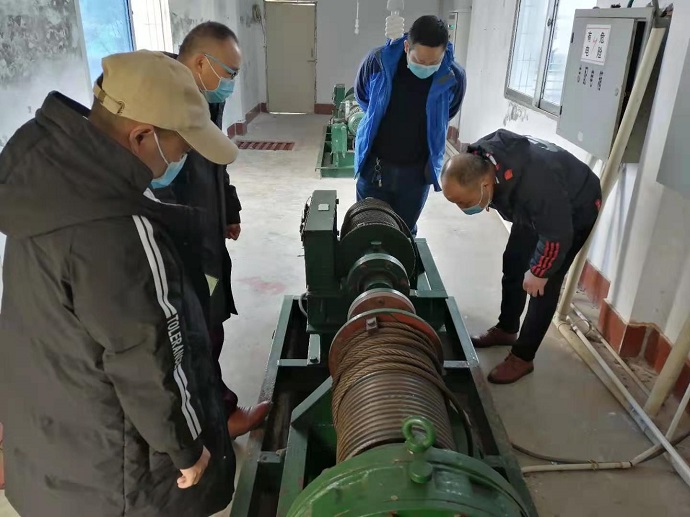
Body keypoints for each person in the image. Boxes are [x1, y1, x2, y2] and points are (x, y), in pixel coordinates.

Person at [0, 50, 239, 517]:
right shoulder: (121, 230)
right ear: (142, 136)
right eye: (182, 147)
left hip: (52, 455)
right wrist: (187, 448)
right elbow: (149, 356)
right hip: (117, 476)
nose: (183, 159)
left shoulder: (45, 185)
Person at [155, 21, 269, 438]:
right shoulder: (163, 105)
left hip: (205, 231)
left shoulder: (203, 99)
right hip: (182, 243)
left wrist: (227, 210)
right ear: (202, 63)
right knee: (195, 333)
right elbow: (162, 185)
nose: (233, 82)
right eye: (230, 72)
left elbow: (214, 162)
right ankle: (218, 418)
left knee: (210, 323)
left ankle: (214, 410)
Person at [441, 129, 602, 384]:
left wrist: (539, 271)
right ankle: (507, 328)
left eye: (464, 203)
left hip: (575, 205)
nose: (462, 209)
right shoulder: (481, 159)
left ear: (485, 186)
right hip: (536, 207)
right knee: (515, 262)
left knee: (542, 286)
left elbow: (557, 234)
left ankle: (523, 357)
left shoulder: (535, 186)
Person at [354, 14, 466, 235]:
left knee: (403, 234)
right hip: (375, 168)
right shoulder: (377, 62)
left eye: (433, 63)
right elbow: (363, 98)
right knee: (366, 230)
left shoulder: (454, 76)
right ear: (407, 47)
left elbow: (447, 114)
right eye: (420, 61)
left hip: (416, 175)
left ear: (444, 53)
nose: (426, 67)